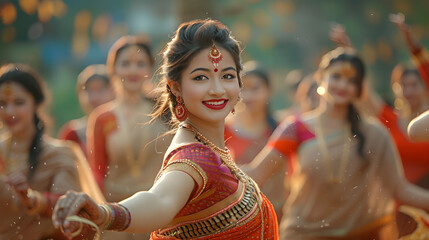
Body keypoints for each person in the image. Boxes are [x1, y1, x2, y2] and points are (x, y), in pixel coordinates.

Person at [52, 19, 279, 240]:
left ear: (239, 82)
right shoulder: (194, 157)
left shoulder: (209, 145)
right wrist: (105, 214)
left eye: (227, 76)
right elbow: (160, 199)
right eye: (201, 77)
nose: (218, 89)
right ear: (176, 87)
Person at [244, 47, 429, 239]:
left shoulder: (374, 134)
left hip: (359, 234)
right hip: (302, 234)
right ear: (321, 78)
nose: (343, 85)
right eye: (336, 77)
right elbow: (257, 172)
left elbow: (400, 189)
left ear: (359, 88)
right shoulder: (296, 128)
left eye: (351, 81)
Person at [0, 63, 103, 240]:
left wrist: (32, 200)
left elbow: (72, 209)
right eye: (2, 104)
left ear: (36, 103)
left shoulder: (60, 155)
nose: (10, 112)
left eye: (19, 103)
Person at [86, 35, 171, 240]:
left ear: (150, 69)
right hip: (114, 216)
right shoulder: (103, 118)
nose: (133, 70)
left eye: (140, 64)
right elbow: (97, 174)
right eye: (126, 64)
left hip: (159, 214)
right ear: (112, 69)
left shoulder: (165, 110)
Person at [330, 15, 429, 187]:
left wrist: (412, 44)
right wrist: (349, 50)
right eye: (402, 85)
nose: (408, 91)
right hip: (402, 203)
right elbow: (365, 91)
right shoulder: (390, 119)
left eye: (414, 85)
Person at [224, 61, 284, 220]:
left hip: (275, 213)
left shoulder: (282, 129)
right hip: (236, 214)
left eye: (255, 88)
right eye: (244, 89)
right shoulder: (224, 128)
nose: (248, 95)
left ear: (269, 91)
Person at [58, 64, 115, 156]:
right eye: (88, 90)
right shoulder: (72, 134)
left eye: (100, 90)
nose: (94, 98)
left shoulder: (122, 128)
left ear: (114, 90)